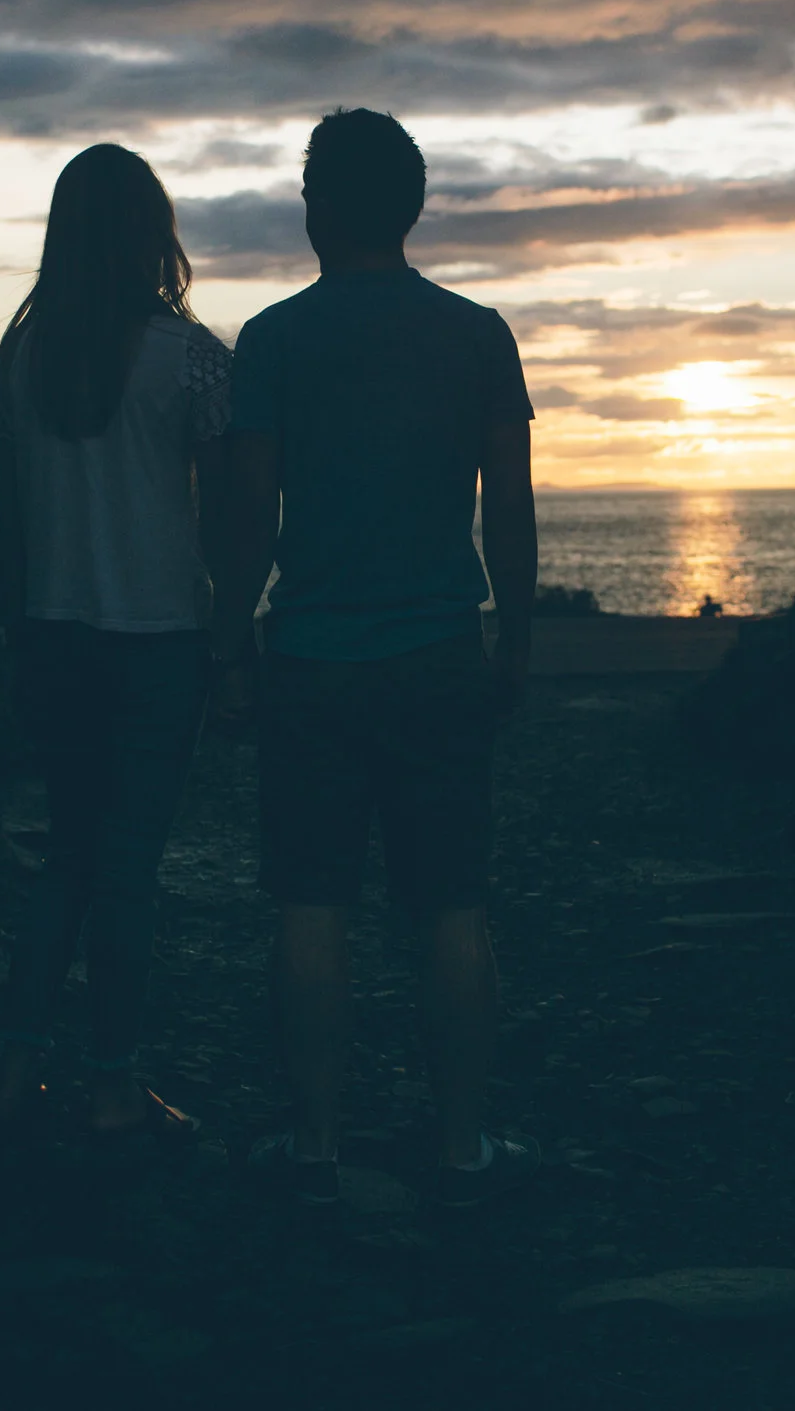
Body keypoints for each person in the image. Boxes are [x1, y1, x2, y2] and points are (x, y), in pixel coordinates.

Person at [214, 108, 542, 1207]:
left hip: (311, 653)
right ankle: (461, 1144)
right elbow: (511, 507)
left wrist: (229, 638)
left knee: (311, 901)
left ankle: (315, 1142)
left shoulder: (270, 341)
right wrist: (518, 634)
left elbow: (248, 513)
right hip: (442, 644)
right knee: (451, 902)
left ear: (315, 208)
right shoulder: (476, 333)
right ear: (410, 208)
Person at [0, 143, 232, 1144]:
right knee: (127, 868)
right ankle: (117, 1085)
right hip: (159, 640)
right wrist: (237, 633)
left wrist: (9, 642)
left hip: (51, 638)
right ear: (150, 231)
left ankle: (12, 1070)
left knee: (67, 861)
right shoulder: (193, 357)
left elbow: (8, 527)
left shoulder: (19, 356)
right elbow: (227, 516)